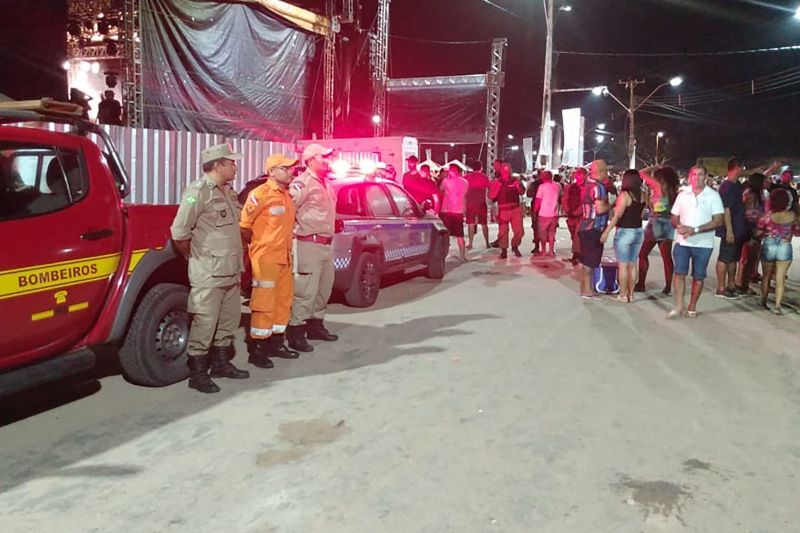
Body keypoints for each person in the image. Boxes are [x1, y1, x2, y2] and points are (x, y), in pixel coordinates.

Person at [170, 143, 250, 393]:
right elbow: (179, 232)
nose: (235, 166)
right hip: (209, 271)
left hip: (231, 269)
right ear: (217, 165)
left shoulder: (228, 192)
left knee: (227, 321)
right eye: (231, 162)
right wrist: (193, 256)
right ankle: (197, 373)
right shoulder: (198, 191)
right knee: (205, 322)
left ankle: (221, 364)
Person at [240, 153, 300, 369]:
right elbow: (245, 226)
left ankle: (277, 343)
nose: (291, 171)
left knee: (283, 302)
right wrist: (258, 247)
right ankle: (258, 349)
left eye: (291, 168)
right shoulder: (260, 194)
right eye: (285, 168)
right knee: (264, 304)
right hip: (266, 259)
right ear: (272, 171)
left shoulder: (287, 195)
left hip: (284, 257)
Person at [287, 143, 339, 352]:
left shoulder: (327, 183)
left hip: (326, 245)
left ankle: (316, 325)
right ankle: (296, 331)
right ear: (310, 160)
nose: (327, 160)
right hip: (308, 244)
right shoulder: (302, 183)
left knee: (324, 289)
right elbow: (288, 210)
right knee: (305, 291)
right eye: (323, 157)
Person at [668, 165, 724, 318]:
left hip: (703, 244)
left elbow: (718, 220)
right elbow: (674, 215)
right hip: (682, 242)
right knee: (679, 273)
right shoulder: (683, 195)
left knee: (698, 277)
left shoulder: (713, 196)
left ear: (705, 177)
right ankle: (679, 305)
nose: (697, 178)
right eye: (694, 174)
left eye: (700, 175)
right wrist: (679, 226)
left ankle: (692, 305)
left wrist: (695, 229)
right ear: (689, 177)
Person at [601, 169, 646, 303]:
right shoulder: (644, 194)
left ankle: (622, 294)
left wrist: (606, 231)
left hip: (625, 232)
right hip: (638, 231)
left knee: (623, 265)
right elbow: (642, 214)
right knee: (633, 264)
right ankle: (631, 295)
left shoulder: (624, 195)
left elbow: (617, 216)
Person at [635, 166, 680, 295]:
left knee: (643, 254)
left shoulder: (657, 186)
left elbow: (641, 173)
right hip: (668, 223)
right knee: (666, 257)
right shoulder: (672, 191)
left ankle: (641, 283)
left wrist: (655, 166)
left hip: (656, 223)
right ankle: (668, 286)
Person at [755, 188, 800, 315]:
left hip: (769, 245)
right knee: (780, 277)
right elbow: (797, 231)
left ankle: (763, 300)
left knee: (766, 276)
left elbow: (758, 232)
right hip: (785, 246)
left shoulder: (767, 217)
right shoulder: (793, 216)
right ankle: (777, 306)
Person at [577, 160, 611, 299]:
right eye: (605, 171)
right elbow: (600, 209)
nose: (607, 174)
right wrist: (613, 204)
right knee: (591, 261)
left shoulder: (586, 186)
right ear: (601, 172)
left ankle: (585, 288)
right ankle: (588, 290)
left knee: (585, 261)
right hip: (594, 227)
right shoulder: (598, 187)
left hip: (584, 227)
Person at [714, 158, 747, 299]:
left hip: (738, 228)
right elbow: (726, 209)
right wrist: (729, 230)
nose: (743, 170)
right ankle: (721, 288)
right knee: (724, 258)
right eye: (742, 167)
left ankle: (731, 285)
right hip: (730, 228)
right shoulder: (726, 187)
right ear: (736, 167)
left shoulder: (736, 185)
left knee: (733, 258)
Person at [736, 172, 768, 293]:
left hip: (757, 229)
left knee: (753, 257)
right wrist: (752, 229)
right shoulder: (750, 195)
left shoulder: (759, 194)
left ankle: (745, 282)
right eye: (765, 180)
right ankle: (741, 284)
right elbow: (746, 213)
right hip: (751, 229)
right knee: (747, 257)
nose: (767, 182)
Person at [488, 162, 525, 258]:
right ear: (501, 171)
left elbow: (522, 192)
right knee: (503, 232)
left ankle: (515, 246)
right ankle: (503, 249)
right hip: (503, 210)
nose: (506, 173)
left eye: (508, 170)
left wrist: (518, 186)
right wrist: (497, 187)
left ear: (510, 170)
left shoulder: (515, 180)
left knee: (519, 231)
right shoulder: (497, 182)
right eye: (504, 171)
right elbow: (491, 196)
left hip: (515, 209)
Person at [439, 163, 470, 261]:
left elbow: (441, 191)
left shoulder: (446, 181)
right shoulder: (465, 182)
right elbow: (466, 194)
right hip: (459, 211)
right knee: (460, 235)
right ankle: (462, 255)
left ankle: (443, 255)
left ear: (452, 171)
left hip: (447, 211)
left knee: (445, 235)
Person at [463, 160, 491, 249]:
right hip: (482, 203)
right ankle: (487, 243)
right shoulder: (485, 177)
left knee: (470, 224)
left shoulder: (466, 177)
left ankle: (470, 243)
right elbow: (490, 189)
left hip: (470, 203)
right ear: (481, 168)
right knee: (484, 224)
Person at [561, 168, 586, 265]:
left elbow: (585, 202)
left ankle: (577, 256)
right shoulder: (570, 187)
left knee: (577, 236)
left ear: (585, 175)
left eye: (580, 174)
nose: (578, 176)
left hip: (581, 215)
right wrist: (567, 209)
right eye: (577, 174)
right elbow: (565, 198)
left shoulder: (587, 187)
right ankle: (577, 255)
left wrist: (577, 211)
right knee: (573, 236)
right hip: (571, 214)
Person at [534, 170, 560, 257]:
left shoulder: (542, 187)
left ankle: (544, 251)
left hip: (544, 213)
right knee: (552, 233)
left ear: (543, 177)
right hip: (554, 214)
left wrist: (535, 211)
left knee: (543, 233)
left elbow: (538, 201)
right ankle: (551, 251)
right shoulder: (557, 185)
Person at [526, 173, 541, 254]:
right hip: (544, 207)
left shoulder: (534, 184)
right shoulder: (549, 184)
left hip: (536, 206)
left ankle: (537, 247)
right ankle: (547, 248)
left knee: (536, 227)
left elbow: (529, 194)